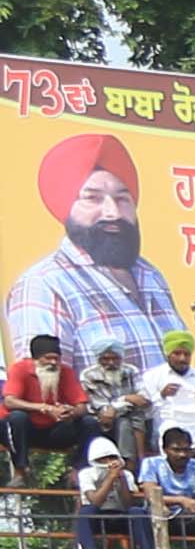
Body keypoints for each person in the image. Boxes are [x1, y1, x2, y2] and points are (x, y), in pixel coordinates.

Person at [8, 136, 181, 372]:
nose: (112, 212)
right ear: (66, 207)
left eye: (122, 199)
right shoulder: (45, 284)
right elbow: (45, 385)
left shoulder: (150, 275)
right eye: (92, 198)